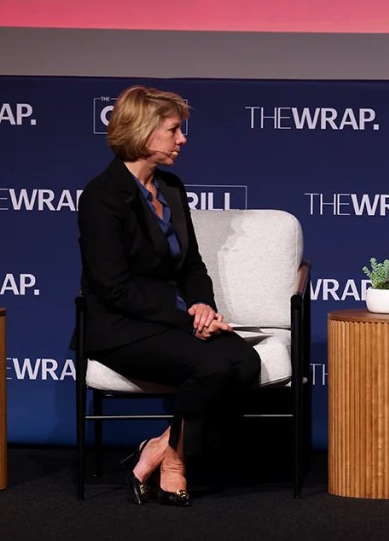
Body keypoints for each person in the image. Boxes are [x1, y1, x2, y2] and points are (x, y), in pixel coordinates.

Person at [76, 85, 261, 507]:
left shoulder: (172, 188)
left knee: (246, 360)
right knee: (216, 364)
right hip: (120, 327)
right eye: (174, 130)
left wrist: (201, 305)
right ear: (143, 133)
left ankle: (161, 448)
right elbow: (113, 288)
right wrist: (188, 321)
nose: (183, 139)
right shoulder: (102, 197)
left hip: (169, 319)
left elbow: (192, 264)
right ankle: (176, 465)